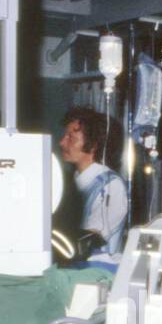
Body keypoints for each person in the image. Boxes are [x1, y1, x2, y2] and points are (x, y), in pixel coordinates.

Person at [58, 106, 129, 257]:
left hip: (97, 272)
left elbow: (90, 238)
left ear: (94, 145)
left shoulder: (111, 186)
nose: (62, 143)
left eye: (71, 138)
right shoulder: (73, 182)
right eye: (65, 136)